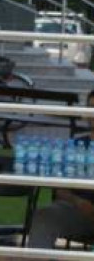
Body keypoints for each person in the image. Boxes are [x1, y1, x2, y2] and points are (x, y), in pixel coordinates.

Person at [25, 89, 94, 250]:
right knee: (45, 216)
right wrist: (79, 202)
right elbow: (60, 189)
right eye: (91, 108)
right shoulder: (75, 146)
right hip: (79, 211)